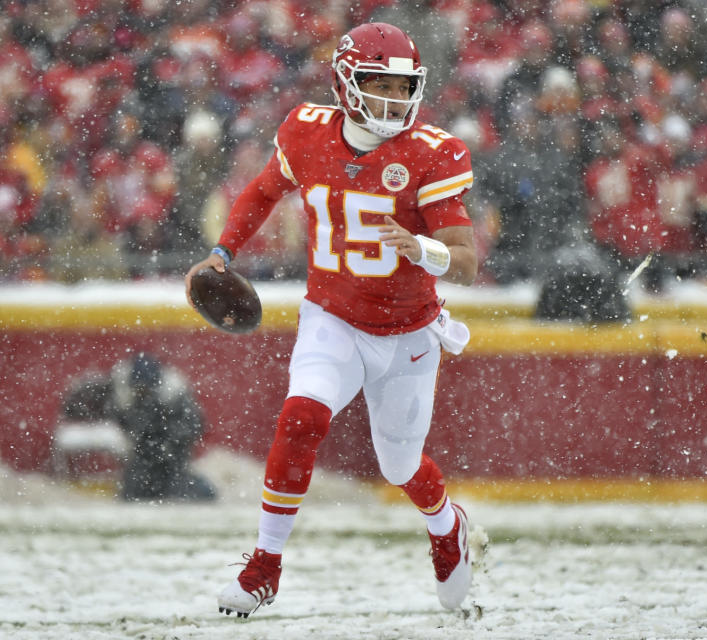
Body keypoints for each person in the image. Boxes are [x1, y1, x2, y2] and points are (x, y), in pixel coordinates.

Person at [184, 22, 478, 617]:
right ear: (346, 82)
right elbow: (264, 191)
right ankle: (264, 566)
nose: (394, 100)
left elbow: (467, 262)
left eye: (403, 88)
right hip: (333, 316)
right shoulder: (306, 133)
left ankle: (446, 527)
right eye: (380, 84)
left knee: (399, 464)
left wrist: (420, 249)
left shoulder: (431, 153)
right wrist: (222, 253)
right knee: (300, 417)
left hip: (409, 331)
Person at [60, 352, 216, 502]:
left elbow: (194, 425)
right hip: (141, 452)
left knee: (175, 489)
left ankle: (202, 490)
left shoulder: (176, 396)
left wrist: (167, 442)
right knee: (133, 493)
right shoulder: (118, 390)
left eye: (146, 389)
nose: (143, 392)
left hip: (172, 452)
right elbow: (83, 402)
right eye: (140, 389)